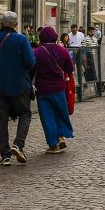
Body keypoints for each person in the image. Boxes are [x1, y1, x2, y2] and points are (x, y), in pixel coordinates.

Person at [0, 11, 35, 165]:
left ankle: (5, 155)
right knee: (25, 113)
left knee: (1, 119)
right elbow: (31, 62)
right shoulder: (21, 39)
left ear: (0, 23)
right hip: (19, 84)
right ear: (16, 24)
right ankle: (18, 144)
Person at [32, 26, 75, 154]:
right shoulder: (62, 51)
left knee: (47, 117)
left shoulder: (37, 52)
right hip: (59, 87)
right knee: (60, 112)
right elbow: (70, 68)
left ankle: (53, 144)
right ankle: (61, 136)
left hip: (43, 89)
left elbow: (31, 68)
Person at [67, 24, 85, 95]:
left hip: (79, 51)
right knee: (72, 67)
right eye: (72, 29)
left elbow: (83, 43)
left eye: (75, 29)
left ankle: (80, 82)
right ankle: (73, 82)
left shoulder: (81, 34)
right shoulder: (69, 35)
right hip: (71, 52)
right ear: (71, 29)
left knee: (79, 67)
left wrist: (83, 53)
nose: (73, 30)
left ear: (76, 29)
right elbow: (67, 43)